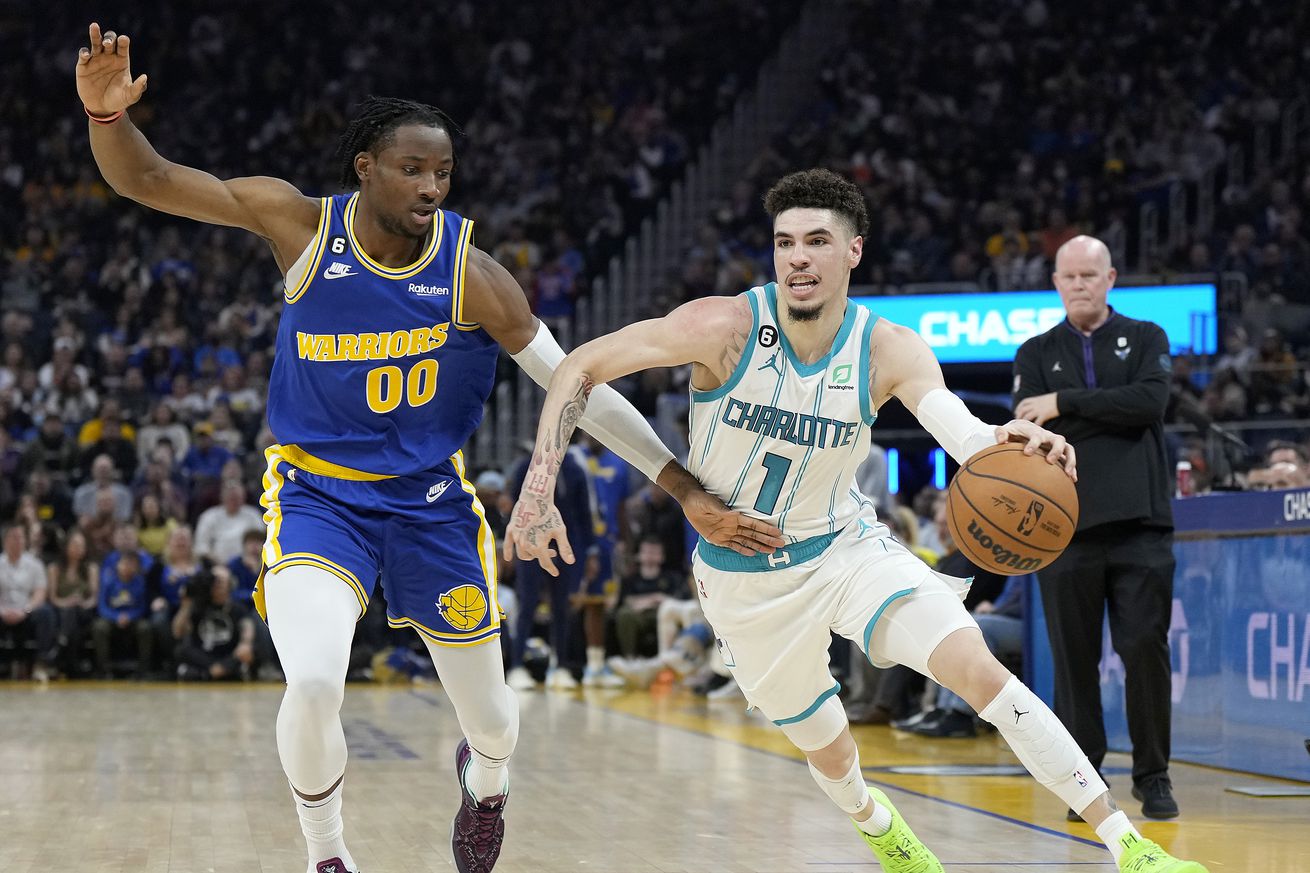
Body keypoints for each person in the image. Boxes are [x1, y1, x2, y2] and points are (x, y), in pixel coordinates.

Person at [76, 23, 781, 873]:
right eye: (413, 168)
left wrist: (681, 485)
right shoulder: (298, 225)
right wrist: (106, 118)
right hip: (316, 495)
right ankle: (327, 855)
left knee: (494, 722)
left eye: (442, 171)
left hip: (427, 503)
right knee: (312, 681)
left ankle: (484, 785)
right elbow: (148, 179)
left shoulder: (472, 276)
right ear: (366, 168)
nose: (431, 186)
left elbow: (574, 384)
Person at [507, 170, 1207, 873]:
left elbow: (962, 436)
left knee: (982, 672)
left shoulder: (887, 347)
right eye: (785, 243)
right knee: (831, 748)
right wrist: (537, 490)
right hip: (745, 581)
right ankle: (876, 822)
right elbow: (578, 368)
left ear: (854, 252)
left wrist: (1015, 442)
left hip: (847, 549)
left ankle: (1127, 843)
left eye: (817, 241)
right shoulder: (722, 326)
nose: (797, 258)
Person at [1013, 235, 1183, 823]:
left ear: (1111, 278)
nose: (1080, 284)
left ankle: (1153, 776)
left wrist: (1064, 402)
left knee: (1143, 649)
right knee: (1073, 660)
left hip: (1141, 525)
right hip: (1063, 530)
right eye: (1070, 276)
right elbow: (1027, 426)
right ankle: (1087, 784)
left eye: (1091, 274)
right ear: (1056, 283)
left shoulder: (1147, 338)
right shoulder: (1034, 350)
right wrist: (1077, 407)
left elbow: (1149, 402)